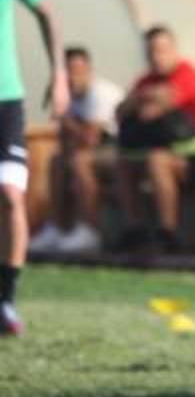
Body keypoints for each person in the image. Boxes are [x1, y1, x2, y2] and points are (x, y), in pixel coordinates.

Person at [115, 26, 195, 253]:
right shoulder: (147, 81)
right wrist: (143, 97)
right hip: (184, 156)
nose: (157, 56)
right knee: (124, 164)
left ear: (174, 50)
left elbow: (150, 111)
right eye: (152, 51)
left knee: (157, 160)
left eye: (163, 50)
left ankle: (168, 234)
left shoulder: (187, 75)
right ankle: (133, 231)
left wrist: (140, 99)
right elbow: (121, 111)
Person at [0, 0, 68, 335]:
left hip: (5, 102)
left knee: (11, 196)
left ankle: (5, 300)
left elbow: (46, 13)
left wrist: (58, 75)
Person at [29, 47, 124, 254]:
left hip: (119, 150)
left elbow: (91, 139)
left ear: (89, 69)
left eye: (78, 69)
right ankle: (55, 227)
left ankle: (89, 231)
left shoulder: (100, 93)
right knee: (57, 161)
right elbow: (66, 142)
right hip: (91, 152)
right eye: (69, 70)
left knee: (81, 162)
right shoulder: (70, 96)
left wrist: (64, 117)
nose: (74, 75)